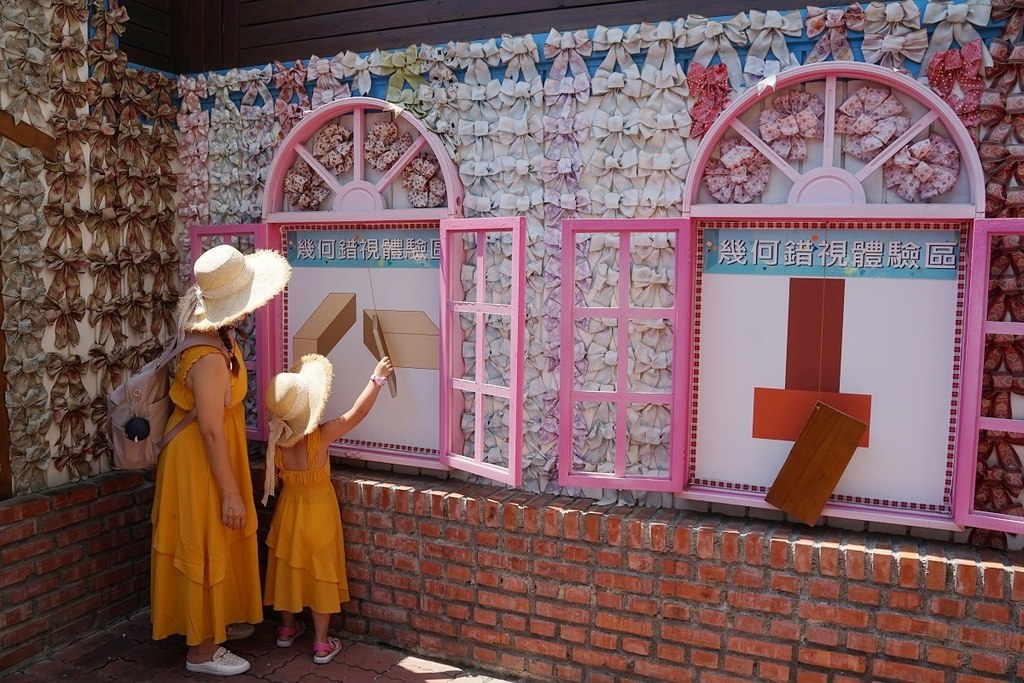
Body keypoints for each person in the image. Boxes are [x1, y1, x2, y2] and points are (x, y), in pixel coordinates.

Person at [150, 243, 291, 676]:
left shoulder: (209, 336)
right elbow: (210, 428)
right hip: (200, 460)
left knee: (211, 539)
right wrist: (232, 492)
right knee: (205, 539)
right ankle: (202, 651)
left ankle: (212, 622)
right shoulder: (208, 357)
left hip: (201, 455)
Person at [261, 352, 394, 665]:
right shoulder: (318, 437)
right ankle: (321, 643)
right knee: (321, 574)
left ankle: (286, 628)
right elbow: (355, 415)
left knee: (288, 570)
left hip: (288, 514)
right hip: (319, 515)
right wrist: (377, 379)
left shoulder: (276, 442)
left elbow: (277, 480)